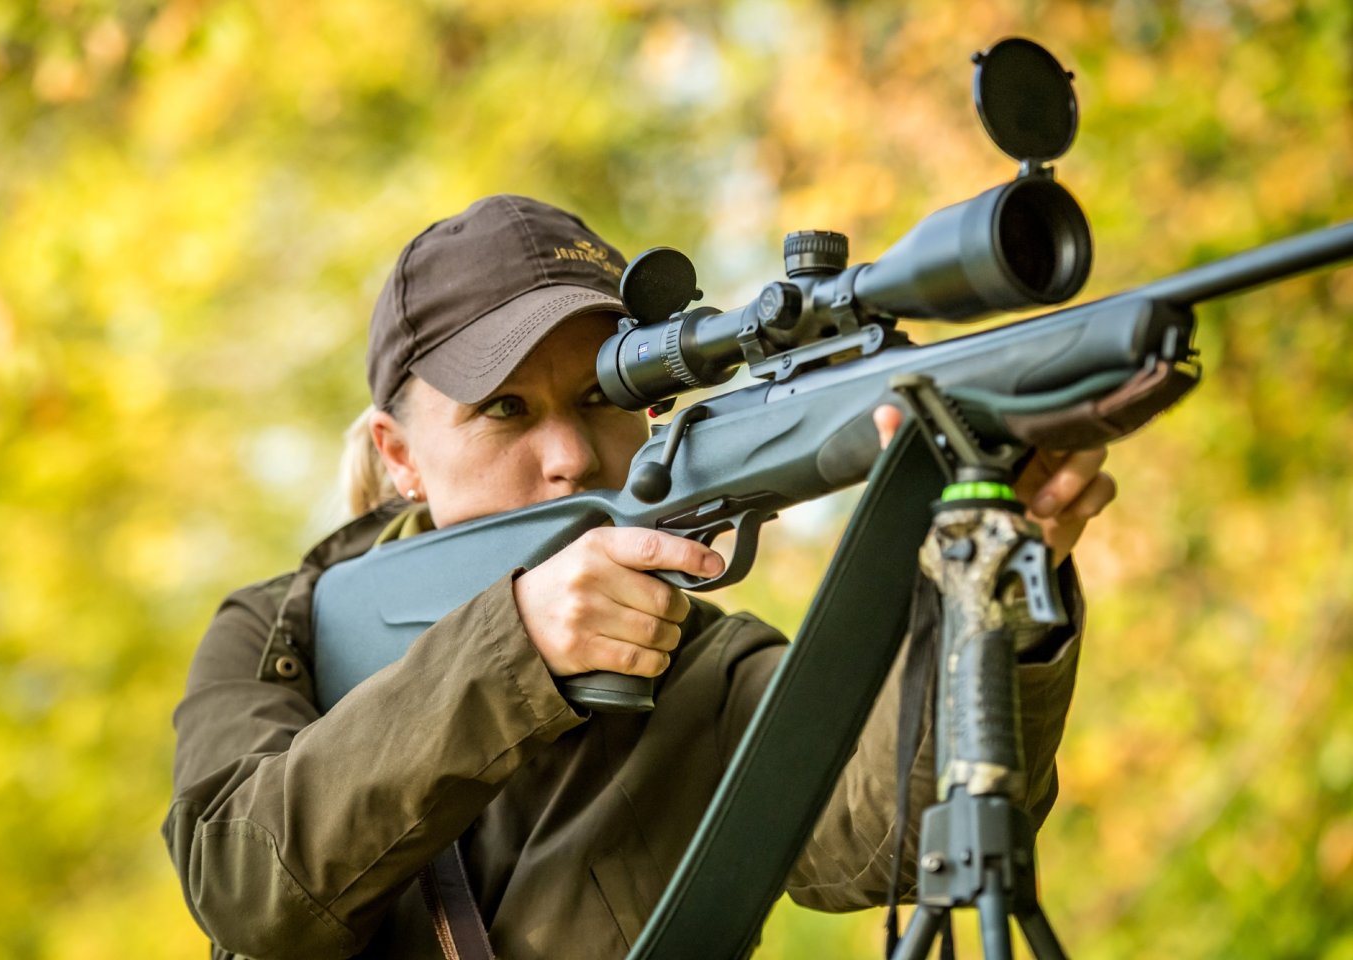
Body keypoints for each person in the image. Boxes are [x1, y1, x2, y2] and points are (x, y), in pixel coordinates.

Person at [164, 195, 1114, 960]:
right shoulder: (284, 633)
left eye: (599, 397)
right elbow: (248, 891)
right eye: (505, 409)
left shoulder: (699, 660)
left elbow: (895, 838)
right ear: (399, 454)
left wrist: (991, 579)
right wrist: (514, 650)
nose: (571, 456)